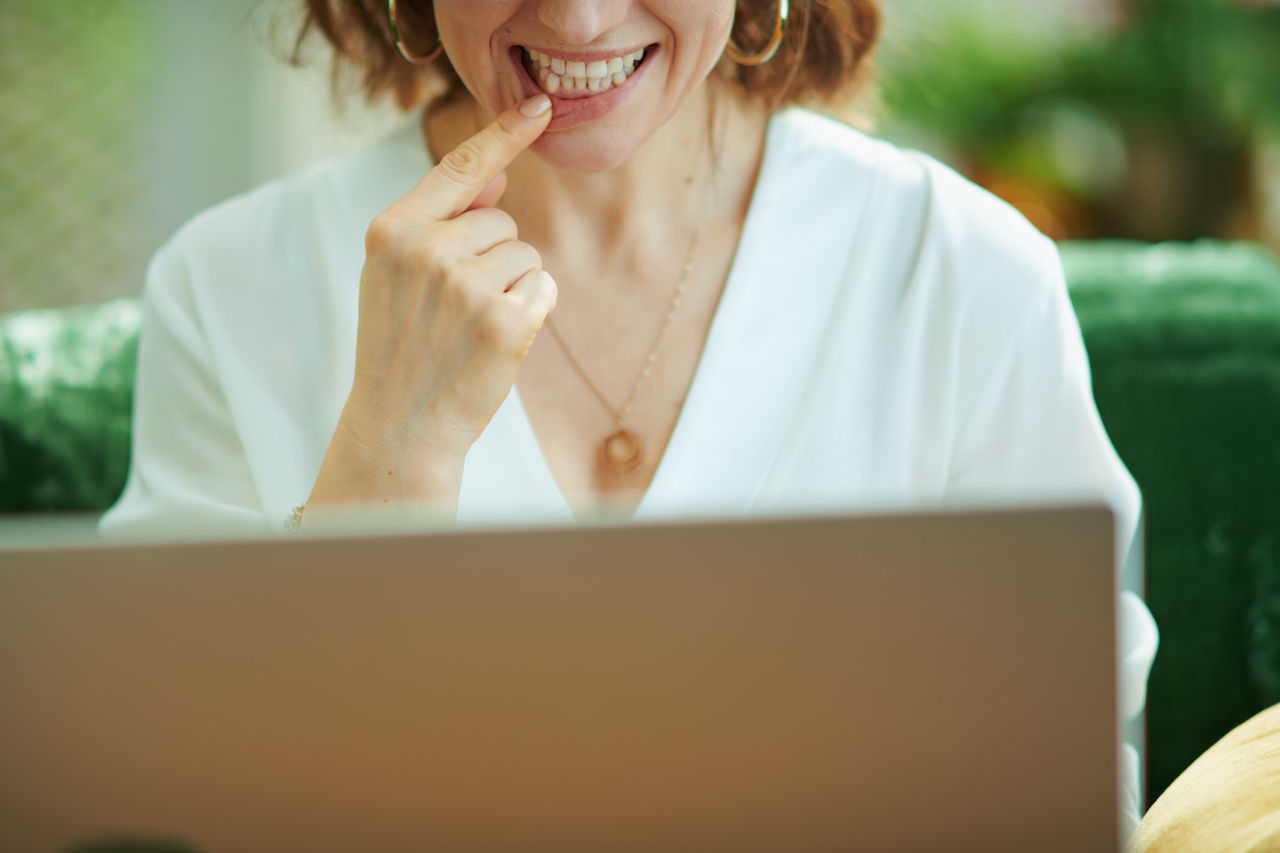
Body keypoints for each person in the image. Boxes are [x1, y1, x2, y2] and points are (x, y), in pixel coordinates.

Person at [100, 0, 1157, 834]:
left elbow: (1061, 795)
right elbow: (182, 817)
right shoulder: (230, 285)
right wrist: (389, 453)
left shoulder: (960, 273)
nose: (579, 19)